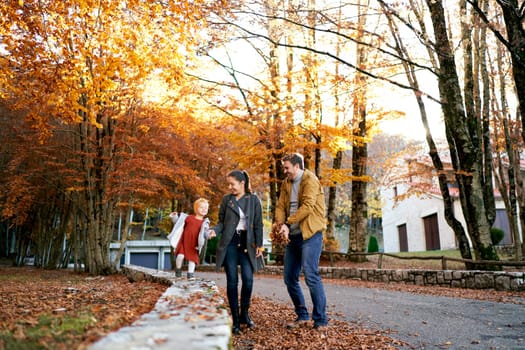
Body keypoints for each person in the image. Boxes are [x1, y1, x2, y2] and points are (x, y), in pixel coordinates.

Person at [272, 153, 329, 329]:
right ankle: (302, 316)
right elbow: (281, 205)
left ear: (297, 167)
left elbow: (308, 207)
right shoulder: (286, 183)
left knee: (311, 275)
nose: (285, 171)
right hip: (293, 236)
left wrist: (288, 223)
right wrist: (281, 224)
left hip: (310, 234)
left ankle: (320, 320)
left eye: (287, 167)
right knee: (289, 277)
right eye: (284, 167)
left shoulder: (310, 180)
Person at [208, 170, 264, 335]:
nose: (230, 187)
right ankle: (236, 321)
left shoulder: (253, 200)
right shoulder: (227, 200)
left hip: (248, 243)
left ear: (242, 183)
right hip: (230, 243)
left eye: (232, 184)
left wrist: (259, 244)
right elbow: (221, 222)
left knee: (248, 280)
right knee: (232, 282)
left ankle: (244, 313)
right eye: (229, 184)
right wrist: (214, 231)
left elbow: (259, 224)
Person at [171, 198, 210, 279]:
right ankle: (178, 270)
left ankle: (190, 274)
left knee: (192, 260)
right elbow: (178, 223)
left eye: (206, 208)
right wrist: (174, 216)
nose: (204, 209)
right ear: (196, 209)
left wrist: (209, 235)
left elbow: (205, 233)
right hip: (184, 242)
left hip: (194, 244)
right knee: (180, 256)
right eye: (201, 207)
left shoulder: (204, 223)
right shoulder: (189, 218)